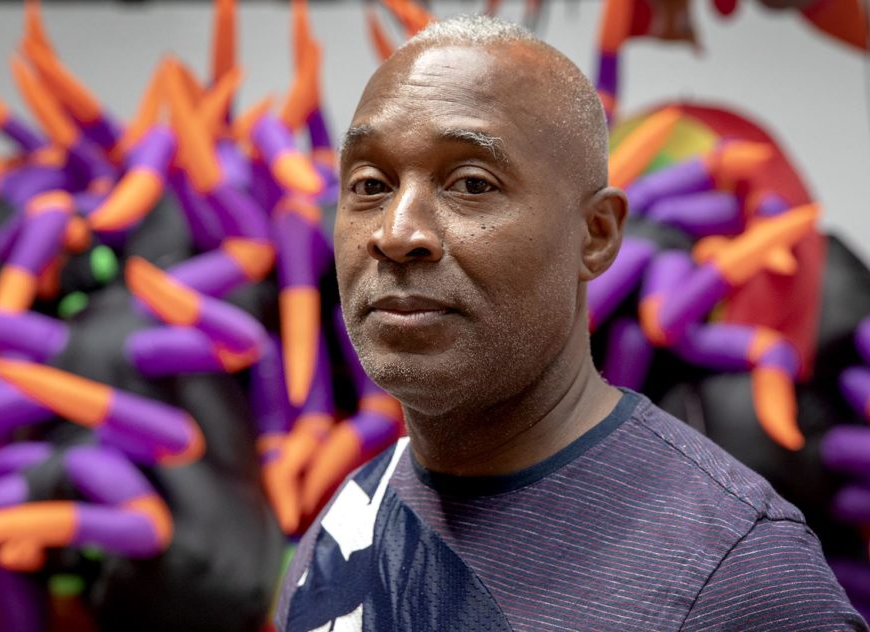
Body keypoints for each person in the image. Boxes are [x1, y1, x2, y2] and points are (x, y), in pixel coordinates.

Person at [275, 14, 866, 631]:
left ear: (597, 235)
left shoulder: (739, 578)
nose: (397, 233)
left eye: (471, 183)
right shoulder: (339, 537)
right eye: (370, 184)